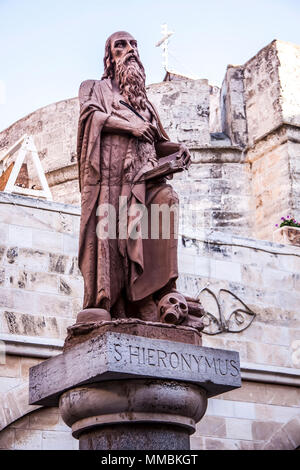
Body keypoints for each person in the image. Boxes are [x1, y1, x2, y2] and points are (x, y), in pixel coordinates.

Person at [76, 31, 191, 323]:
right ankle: (114, 301)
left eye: (134, 45)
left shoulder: (145, 104)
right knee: (111, 236)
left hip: (145, 179)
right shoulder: (96, 88)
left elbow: (155, 141)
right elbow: (90, 118)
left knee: (167, 200)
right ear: (109, 56)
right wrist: (130, 128)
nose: (130, 50)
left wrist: (178, 148)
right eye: (121, 45)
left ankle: (155, 291)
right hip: (111, 183)